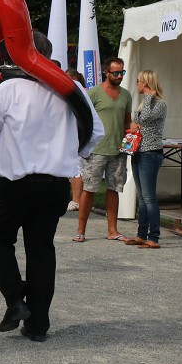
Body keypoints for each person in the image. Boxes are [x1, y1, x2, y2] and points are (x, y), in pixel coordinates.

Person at [0, 31, 104, 342]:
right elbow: (95, 132)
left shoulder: (10, 88)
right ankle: (38, 326)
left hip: (14, 182)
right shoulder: (71, 88)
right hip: (54, 182)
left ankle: (16, 298)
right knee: (41, 249)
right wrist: (69, 149)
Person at [74, 57, 132, 242]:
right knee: (89, 189)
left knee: (114, 189)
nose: (119, 76)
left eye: (122, 72)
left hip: (118, 150)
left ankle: (112, 230)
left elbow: (126, 121)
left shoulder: (126, 95)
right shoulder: (94, 93)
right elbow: (82, 118)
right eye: (115, 73)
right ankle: (80, 230)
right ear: (106, 72)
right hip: (96, 149)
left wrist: (131, 134)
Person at [125, 70, 167, 249]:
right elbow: (138, 120)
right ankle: (141, 234)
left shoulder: (159, 104)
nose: (136, 84)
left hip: (151, 153)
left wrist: (150, 97)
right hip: (139, 151)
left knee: (149, 197)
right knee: (142, 197)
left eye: (138, 81)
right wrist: (133, 125)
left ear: (146, 82)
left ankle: (154, 237)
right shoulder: (143, 103)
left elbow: (147, 118)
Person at [65, 69, 86, 212]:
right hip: (76, 134)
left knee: (77, 168)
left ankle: (76, 200)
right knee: (76, 168)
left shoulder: (80, 93)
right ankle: (77, 199)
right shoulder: (83, 92)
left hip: (77, 134)